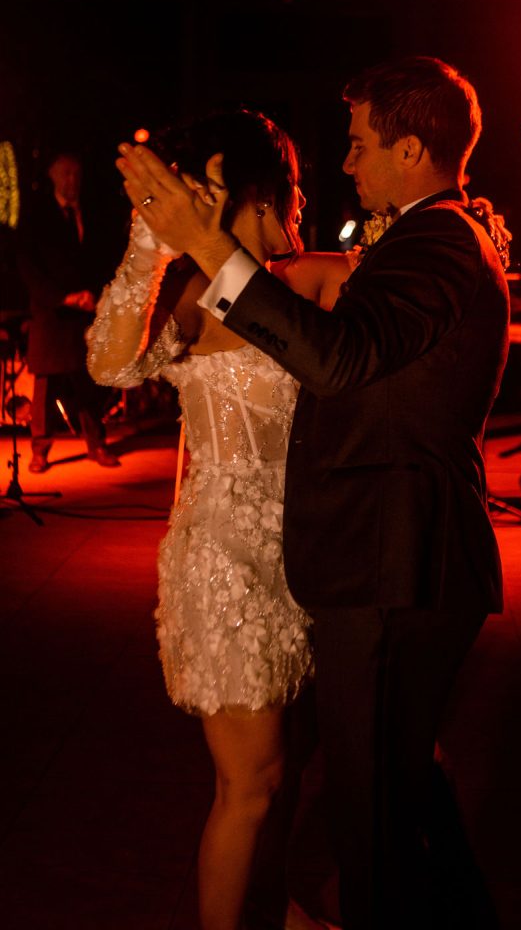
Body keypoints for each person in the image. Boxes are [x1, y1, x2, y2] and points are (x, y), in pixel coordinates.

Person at [116, 56, 511, 930]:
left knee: (372, 824)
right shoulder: (427, 238)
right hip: (379, 556)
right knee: (400, 794)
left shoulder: (438, 241)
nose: (346, 162)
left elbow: (335, 361)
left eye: (360, 143)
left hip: (391, 560)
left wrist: (209, 242)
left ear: (411, 149)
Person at [88, 108, 352, 930]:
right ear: (262, 189)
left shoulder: (312, 275)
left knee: (292, 767)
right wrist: (150, 238)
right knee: (250, 785)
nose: (301, 209)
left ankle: (276, 911)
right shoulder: (194, 297)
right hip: (227, 562)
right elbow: (109, 364)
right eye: (295, 190)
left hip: (303, 558)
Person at [17, 150, 120, 472]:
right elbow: (28, 267)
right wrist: (63, 298)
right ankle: (40, 449)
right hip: (52, 313)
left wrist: (94, 296)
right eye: (65, 174)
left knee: (87, 382)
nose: (71, 180)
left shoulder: (91, 214)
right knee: (45, 386)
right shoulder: (37, 216)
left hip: (85, 313)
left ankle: (96, 443)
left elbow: (103, 258)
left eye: (76, 174)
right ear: (52, 177)